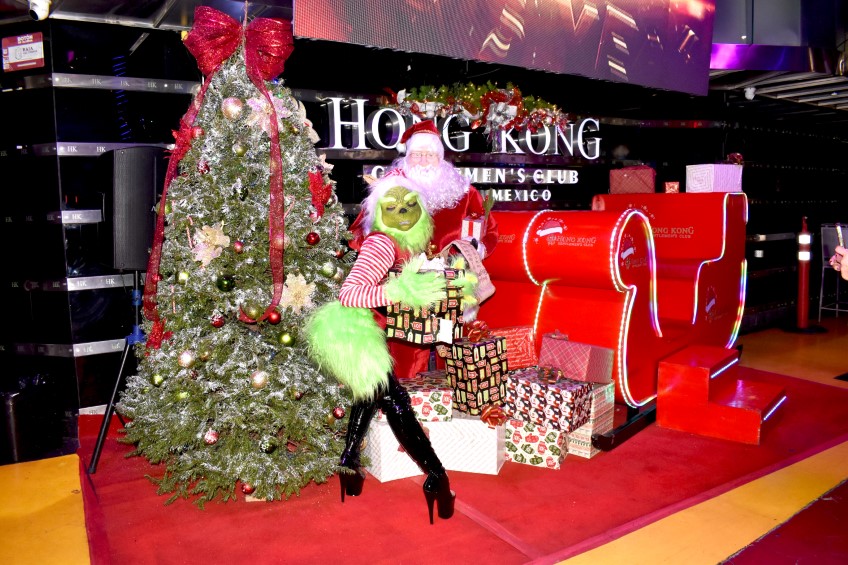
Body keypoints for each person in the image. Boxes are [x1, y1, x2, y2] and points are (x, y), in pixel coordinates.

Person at [306, 172, 469, 524]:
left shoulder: (401, 242)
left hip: (363, 330)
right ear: (379, 211)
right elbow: (350, 294)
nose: (403, 212)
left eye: (410, 205)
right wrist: (398, 292)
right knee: (396, 402)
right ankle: (437, 478)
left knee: (369, 396)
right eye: (392, 207)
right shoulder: (382, 243)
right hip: (354, 332)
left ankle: (349, 464)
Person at [349, 119, 499, 379]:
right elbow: (360, 231)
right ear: (406, 157)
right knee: (405, 351)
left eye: (429, 155)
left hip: (451, 285)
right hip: (406, 285)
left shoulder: (464, 191)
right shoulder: (392, 190)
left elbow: (489, 230)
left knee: (451, 347)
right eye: (417, 155)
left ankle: (447, 395)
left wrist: (476, 247)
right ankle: (406, 396)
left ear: (440, 157)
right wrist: (382, 249)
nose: (423, 161)